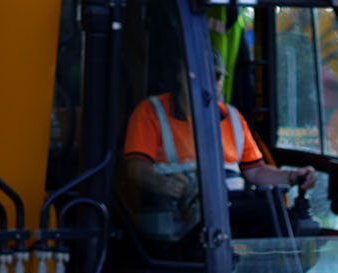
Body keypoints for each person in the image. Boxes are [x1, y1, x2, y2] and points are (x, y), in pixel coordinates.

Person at [122, 48, 310, 234]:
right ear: (181, 75)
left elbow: (255, 171)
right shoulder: (151, 111)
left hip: (232, 206)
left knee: (285, 220)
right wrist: (162, 183)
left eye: (217, 77)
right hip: (181, 212)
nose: (209, 83)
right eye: (202, 75)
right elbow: (135, 167)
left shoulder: (233, 118)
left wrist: (292, 177)